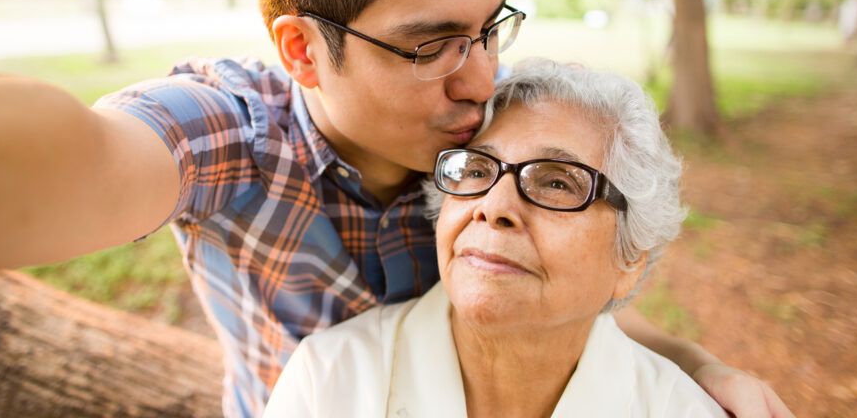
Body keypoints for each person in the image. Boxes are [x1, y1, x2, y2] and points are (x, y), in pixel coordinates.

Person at [0, 0, 791, 416]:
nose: (479, 78)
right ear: (303, 50)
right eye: (429, 43)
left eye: (487, 27)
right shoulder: (234, 136)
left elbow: (562, 279)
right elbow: (82, 161)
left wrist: (698, 366)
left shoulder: (490, 137)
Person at [264, 60, 728, 417]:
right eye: (477, 170)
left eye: (557, 183)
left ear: (629, 260)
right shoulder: (327, 381)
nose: (494, 205)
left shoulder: (678, 408)